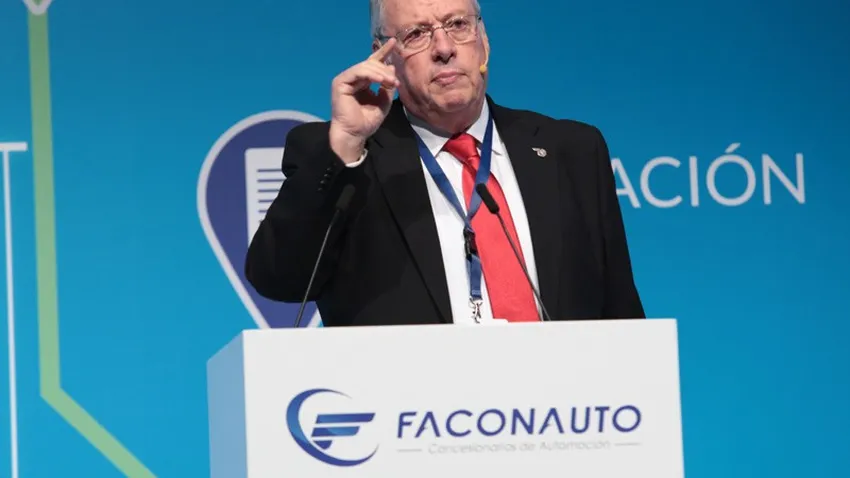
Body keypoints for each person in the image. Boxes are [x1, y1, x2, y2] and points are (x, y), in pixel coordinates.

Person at [245, 0, 645, 326]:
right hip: (407, 401)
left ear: (484, 41)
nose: (443, 48)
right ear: (385, 59)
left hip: (564, 398)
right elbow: (279, 279)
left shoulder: (572, 151)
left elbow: (621, 315)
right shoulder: (348, 154)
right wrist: (346, 144)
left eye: (457, 25)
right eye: (416, 34)